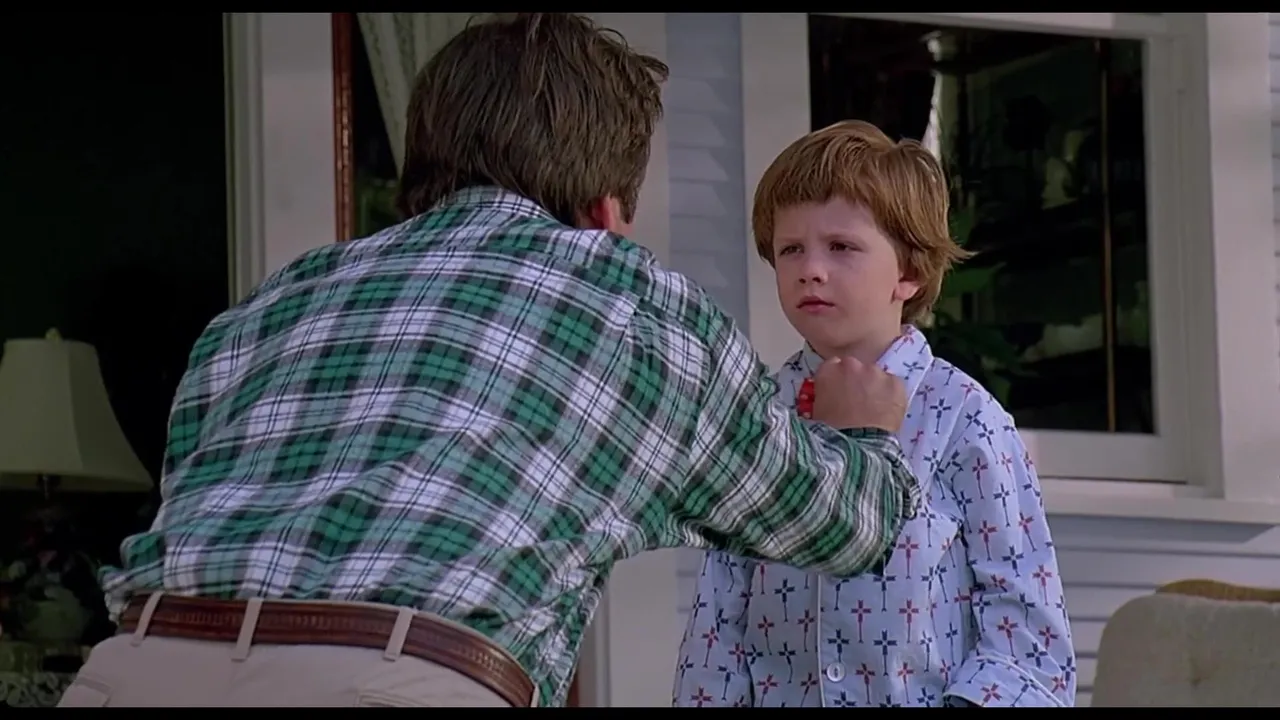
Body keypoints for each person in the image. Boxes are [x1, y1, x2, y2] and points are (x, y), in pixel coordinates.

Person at [58, 15, 922, 708]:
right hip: (392, 684)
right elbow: (840, 525)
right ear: (605, 210)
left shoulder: (276, 299)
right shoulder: (629, 303)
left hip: (137, 667)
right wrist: (864, 434)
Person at [671, 120, 1076, 708]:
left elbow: (1028, 642)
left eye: (841, 247)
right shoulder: (754, 421)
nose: (811, 268)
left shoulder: (967, 421)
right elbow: (718, 626)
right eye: (791, 249)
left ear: (909, 272)